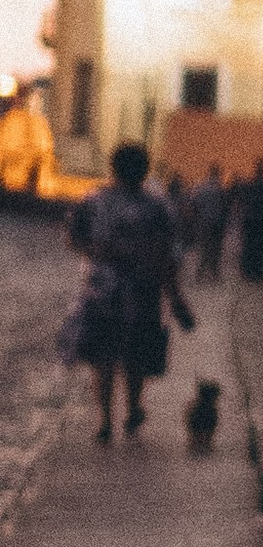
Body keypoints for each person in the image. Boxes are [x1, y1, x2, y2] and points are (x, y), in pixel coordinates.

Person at [63, 144, 194, 442]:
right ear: (145, 170)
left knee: (103, 358)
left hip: (101, 291)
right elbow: (167, 255)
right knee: (135, 356)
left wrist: (98, 253)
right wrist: (175, 299)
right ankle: (134, 407)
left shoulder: (93, 201)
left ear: (113, 168)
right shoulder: (158, 208)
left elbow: (72, 238)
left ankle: (105, 421)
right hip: (143, 292)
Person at [233, 159, 263, 286]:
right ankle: (257, 272)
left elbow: (240, 196)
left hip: (249, 219)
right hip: (262, 220)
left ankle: (247, 272)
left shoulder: (249, 184)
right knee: (261, 247)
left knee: (248, 246)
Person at [191, 166, 231, 284]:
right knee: (216, 250)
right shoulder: (221, 189)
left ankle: (199, 275)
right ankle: (215, 275)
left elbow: (194, 205)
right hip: (217, 224)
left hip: (203, 223)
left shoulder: (201, 188)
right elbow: (225, 207)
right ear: (218, 173)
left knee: (204, 249)